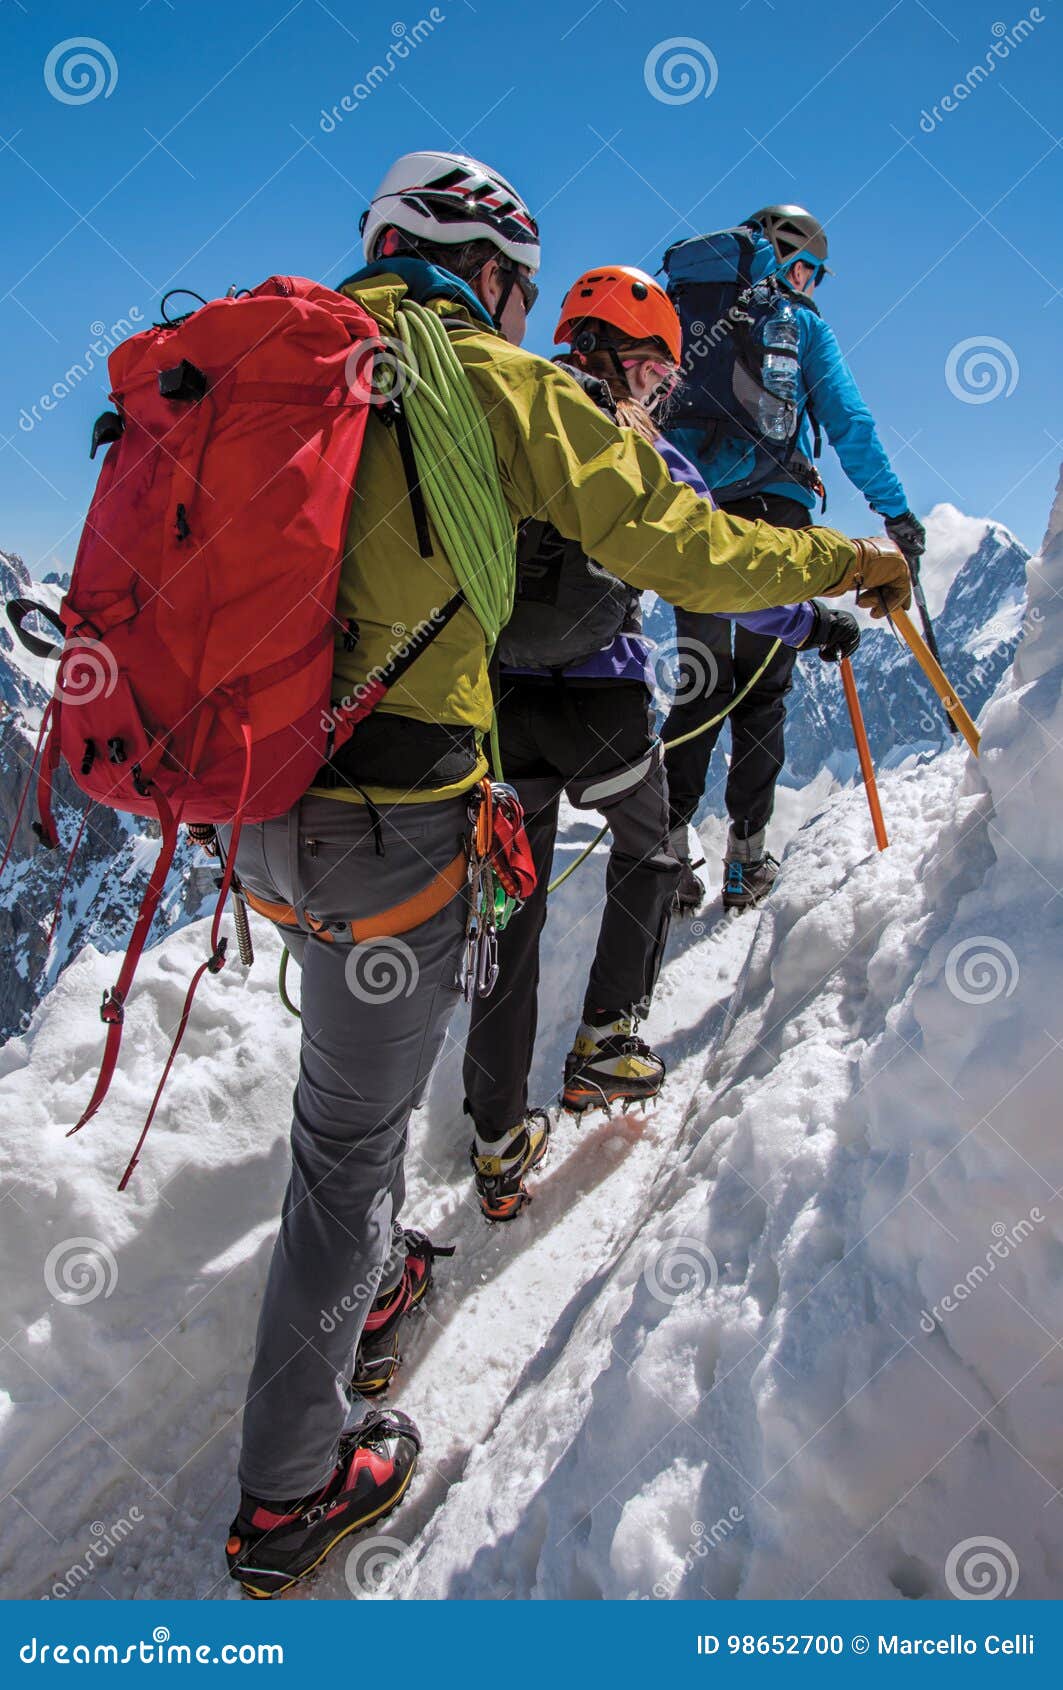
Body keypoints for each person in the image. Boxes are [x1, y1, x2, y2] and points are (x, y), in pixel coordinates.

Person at [219, 154, 910, 1596]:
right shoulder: (489, 379)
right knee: (346, 1141)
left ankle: (366, 1274)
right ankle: (288, 1494)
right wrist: (844, 562)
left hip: (253, 798)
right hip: (398, 806)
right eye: (518, 290)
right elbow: (682, 540)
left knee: (341, 1112)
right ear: (478, 266)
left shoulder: (288, 359)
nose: (527, 318)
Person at [462, 266, 861, 1216]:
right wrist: (814, 625)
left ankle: (494, 1137)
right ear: (636, 364)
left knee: (508, 916)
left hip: (496, 707)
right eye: (660, 375)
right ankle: (606, 1038)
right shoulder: (643, 458)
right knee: (651, 853)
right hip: (601, 703)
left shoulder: (505, 429)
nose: (663, 393)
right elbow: (722, 578)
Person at [662, 204, 925, 913]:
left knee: (698, 684)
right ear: (793, 260)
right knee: (761, 692)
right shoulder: (797, 325)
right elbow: (849, 424)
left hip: (692, 518)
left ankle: (668, 860)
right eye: (812, 270)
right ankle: (746, 862)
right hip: (775, 518)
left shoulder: (687, 312)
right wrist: (893, 515)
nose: (811, 284)